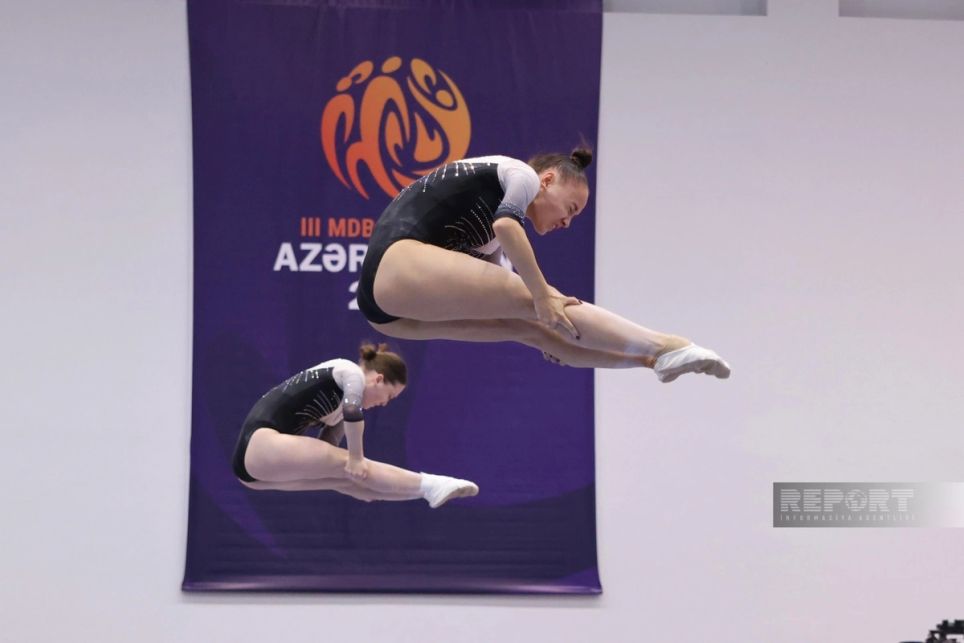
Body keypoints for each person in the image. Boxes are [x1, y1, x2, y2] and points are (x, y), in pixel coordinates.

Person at [356, 149, 731, 382]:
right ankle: (668, 344)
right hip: (393, 261)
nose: (567, 222)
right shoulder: (520, 175)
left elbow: (531, 313)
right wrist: (542, 296)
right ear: (548, 180)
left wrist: (552, 328)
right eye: (570, 208)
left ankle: (651, 361)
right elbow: (507, 226)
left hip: (389, 315)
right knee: (540, 301)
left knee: (534, 329)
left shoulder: (489, 246)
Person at [232, 342, 478, 508]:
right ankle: (430, 485)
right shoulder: (350, 372)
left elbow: (325, 450)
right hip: (260, 442)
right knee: (355, 466)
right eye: (389, 396)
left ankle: (426, 493)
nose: (384, 404)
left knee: (353, 481)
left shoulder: (338, 410)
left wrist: (356, 481)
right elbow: (352, 413)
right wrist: (357, 458)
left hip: (256, 472)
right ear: (378, 379)